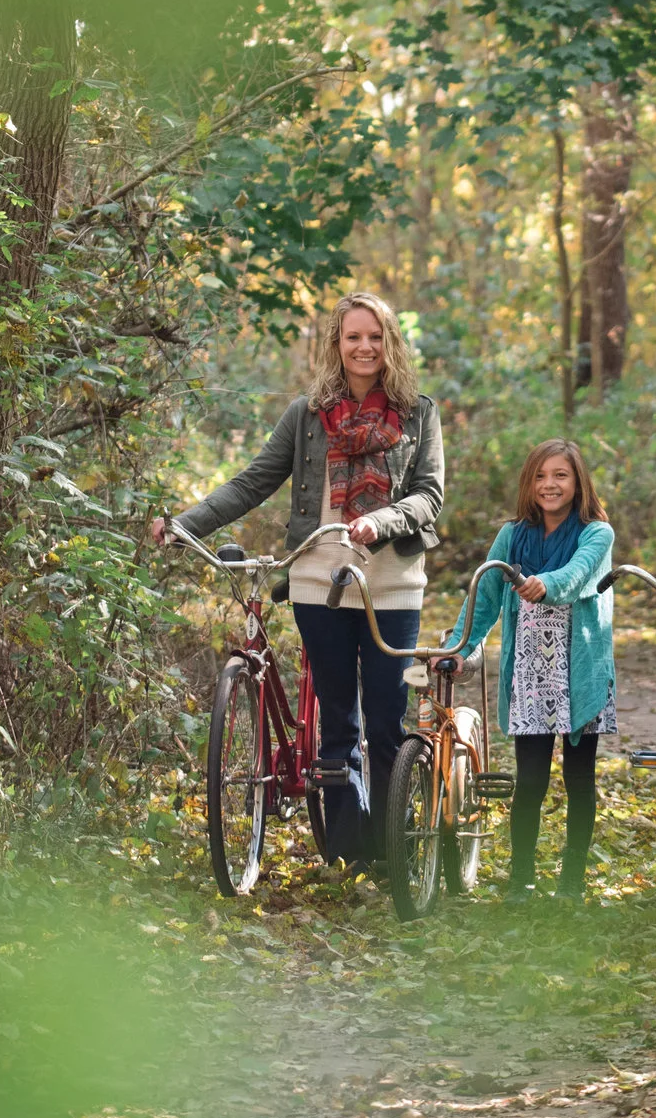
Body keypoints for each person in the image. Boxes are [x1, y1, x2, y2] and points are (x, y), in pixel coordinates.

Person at [157, 292, 445, 870]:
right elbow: (252, 482)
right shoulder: (307, 415)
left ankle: (395, 853)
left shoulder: (419, 412)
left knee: (387, 721)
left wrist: (379, 521)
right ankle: (348, 854)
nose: (364, 347)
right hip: (318, 581)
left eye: (375, 337)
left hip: (391, 583)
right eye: (352, 337)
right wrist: (183, 524)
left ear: (390, 343)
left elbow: (429, 497)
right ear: (335, 346)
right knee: (338, 722)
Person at [449, 439, 616, 900]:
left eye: (560, 475)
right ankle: (521, 875)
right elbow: (482, 602)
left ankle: (573, 880)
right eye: (541, 476)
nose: (550, 485)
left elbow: (579, 574)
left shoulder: (597, 533)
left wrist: (546, 583)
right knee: (531, 780)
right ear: (529, 483)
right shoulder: (512, 536)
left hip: (581, 672)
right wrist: (458, 648)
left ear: (578, 481)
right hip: (531, 675)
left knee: (580, 779)